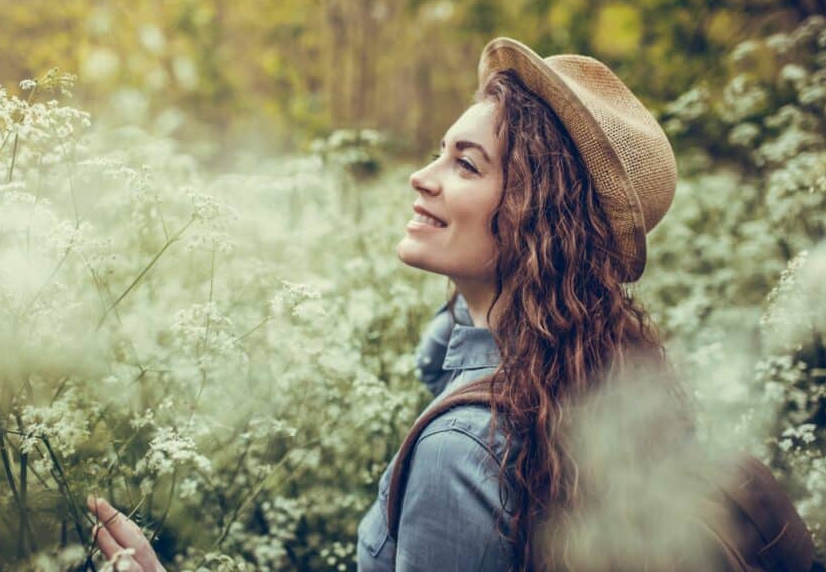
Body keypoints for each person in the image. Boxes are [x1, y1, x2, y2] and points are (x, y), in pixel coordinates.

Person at [89, 36, 686, 571]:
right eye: (439, 151)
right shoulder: (596, 379)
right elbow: (443, 359)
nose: (421, 177)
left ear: (535, 216)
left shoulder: (460, 453)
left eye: (465, 164)